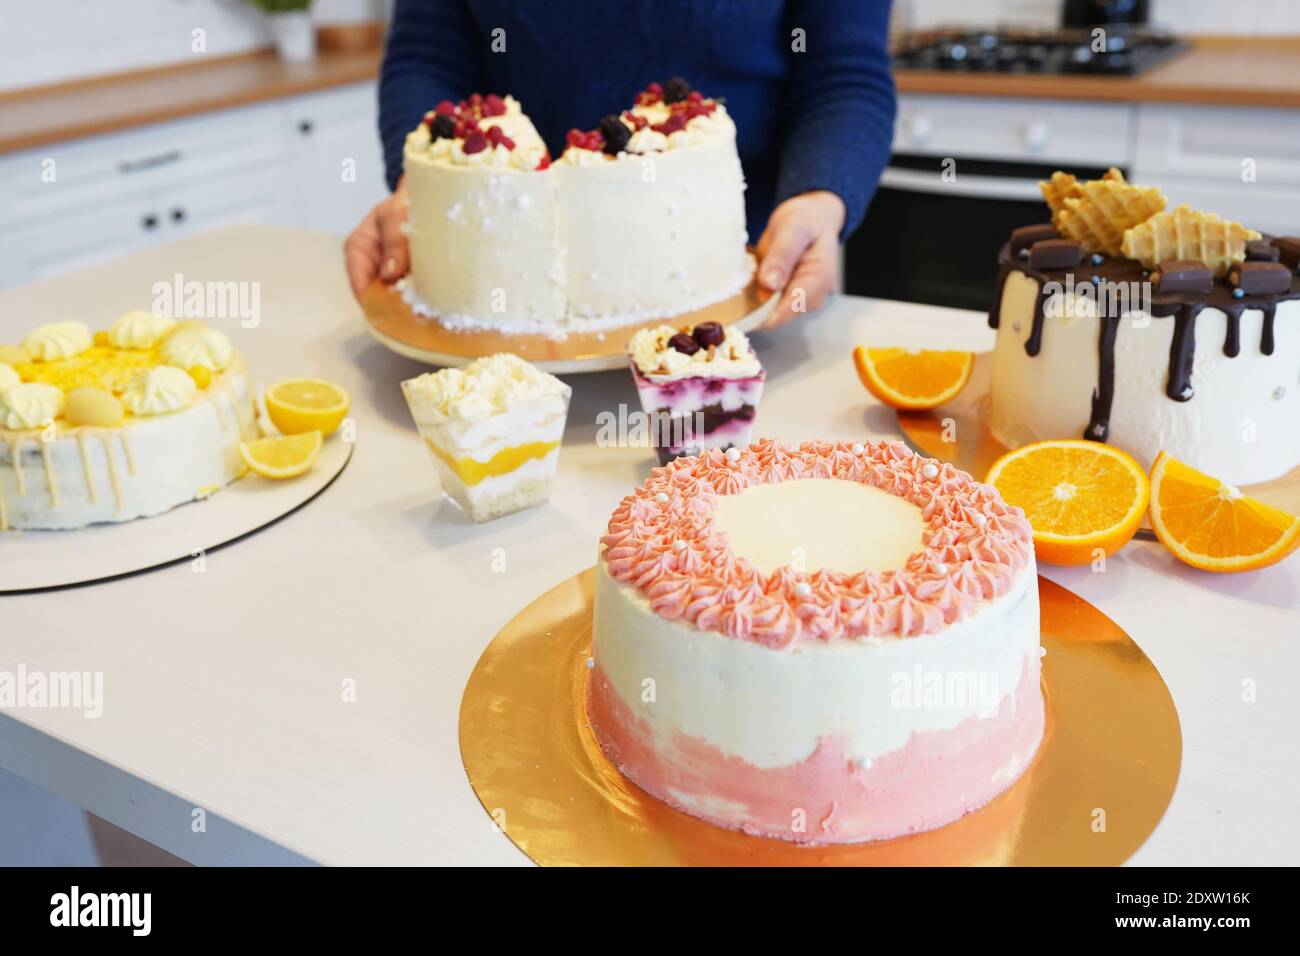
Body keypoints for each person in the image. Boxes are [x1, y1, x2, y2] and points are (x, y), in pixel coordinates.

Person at [345, 0, 895, 327]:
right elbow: (427, 57)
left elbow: (842, 72)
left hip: (739, 301)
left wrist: (823, 193)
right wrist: (416, 184)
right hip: (498, 310)